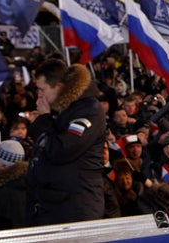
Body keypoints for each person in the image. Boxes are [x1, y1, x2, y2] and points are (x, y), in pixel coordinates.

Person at [26, 60, 107, 226]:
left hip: (76, 208)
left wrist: (43, 120)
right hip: (52, 206)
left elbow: (61, 150)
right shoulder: (60, 111)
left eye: (42, 90)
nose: (39, 96)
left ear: (60, 86)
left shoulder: (88, 110)